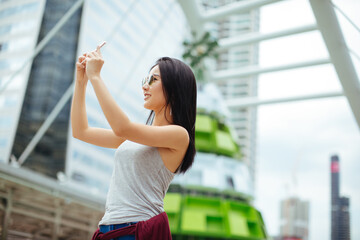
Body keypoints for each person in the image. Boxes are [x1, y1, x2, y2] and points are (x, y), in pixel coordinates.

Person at [70, 43, 197, 240]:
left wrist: (96, 77)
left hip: (138, 230)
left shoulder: (179, 135)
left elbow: (123, 127)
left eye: (153, 80)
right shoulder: (136, 137)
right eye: (146, 79)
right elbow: (81, 131)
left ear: (174, 87)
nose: (145, 86)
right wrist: (81, 81)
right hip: (108, 230)